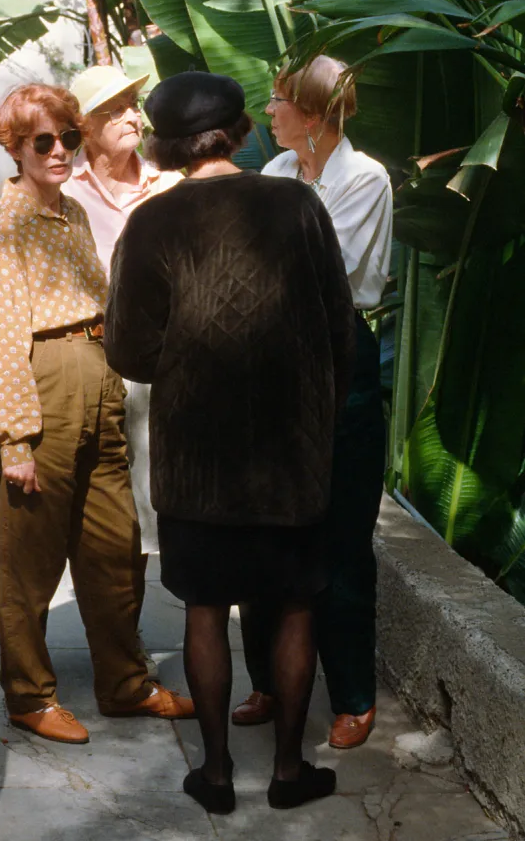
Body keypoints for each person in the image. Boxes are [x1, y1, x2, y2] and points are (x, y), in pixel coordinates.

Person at [105, 72, 355, 814]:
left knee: (204, 608)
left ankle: (214, 775)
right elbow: (339, 326)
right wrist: (317, 410)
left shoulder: (150, 223)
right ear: (241, 131)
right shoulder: (296, 204)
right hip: (289, 453)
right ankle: (287, 770)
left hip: (196, 459)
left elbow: (128, 352)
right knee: (296, 605)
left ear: (165, 145)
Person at [0, 83, 194, 745]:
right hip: (47, 390)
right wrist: (12, 443)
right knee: (30, 559)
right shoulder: (4, 228)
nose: (60, 151)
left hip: (97, 380)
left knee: (115, 545)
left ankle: (124, 682)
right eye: (43, 141)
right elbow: (1, 344)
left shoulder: (66, 213)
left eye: (68, 137)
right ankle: (29, 694)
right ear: (14, 149)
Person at [233, 57, 393, 750]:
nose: (268, 114)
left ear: (315, 113)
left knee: (343, 538)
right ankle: (268, 680)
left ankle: (353, 694)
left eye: (277, 103)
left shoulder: (364, 178)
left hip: (338, 358)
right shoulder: (273, 176)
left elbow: (322, 271)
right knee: (264, 528)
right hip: (271, 357)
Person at [63, 65, 182, 553]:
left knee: (158, 486)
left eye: (134, 105)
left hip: (158, 354)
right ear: (85, 126)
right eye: (115, 110)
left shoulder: (170, 186)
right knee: (97, 492)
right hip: (88, 355)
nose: (132, 117)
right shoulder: (66, 191)